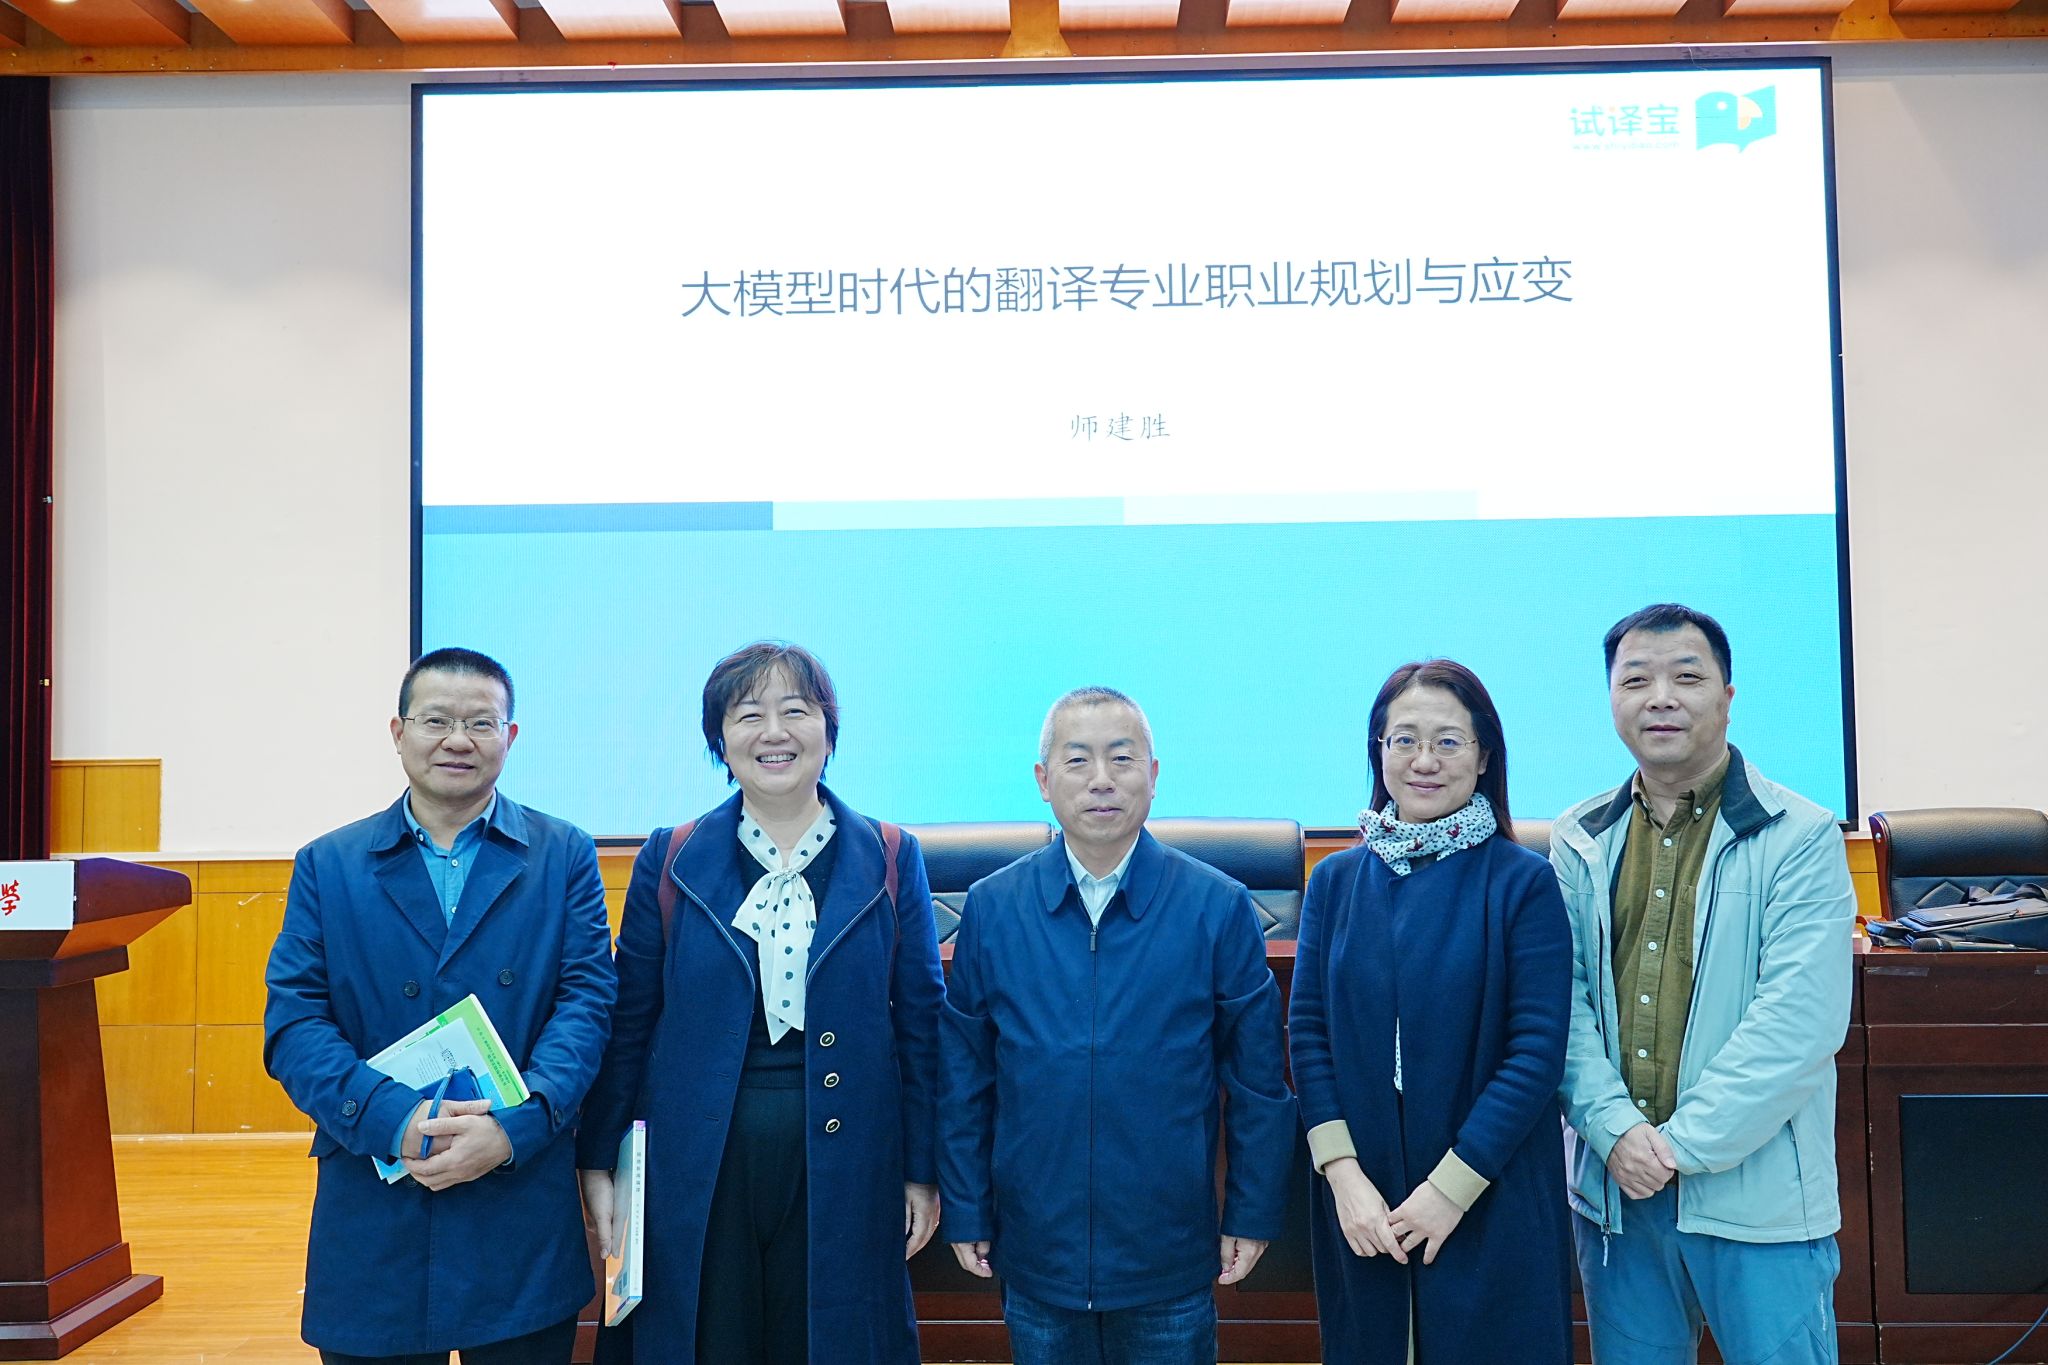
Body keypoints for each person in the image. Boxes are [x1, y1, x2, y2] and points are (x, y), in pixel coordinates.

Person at [575, 641, 945, 1365]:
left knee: (831, 1339)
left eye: (795, 711)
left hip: (850, 1156)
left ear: (828, 731)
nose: (774, 732)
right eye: (748, 715)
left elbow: (923, 1026)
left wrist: (922, 1169)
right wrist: (599, 1159)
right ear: (719, 740)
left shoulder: (891, 855)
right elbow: (630, 1024)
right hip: (697, 1160)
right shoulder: (670, 857)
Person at [263, 647, 617, 1365]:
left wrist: (515, 1126)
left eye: (480, 722)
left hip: (516, 1191)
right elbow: (294, 1023)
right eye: (436, 720)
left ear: (509, 737)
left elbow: (586, 1003)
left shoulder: (563, 853)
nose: (459, 739)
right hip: (375, 1187)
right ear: (398, 732)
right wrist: (394, 1119)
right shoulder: (328, 864)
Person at [939, 685, 1294, 1365]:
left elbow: (1257, 1084)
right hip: (1037, 1247)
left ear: (1152, 775)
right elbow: (964, 1079)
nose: (1101, 779)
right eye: (1078, 760)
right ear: (1043, 780)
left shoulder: (1217, 907)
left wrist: (1251, 1212)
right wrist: (966, 1206)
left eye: (1122, 758)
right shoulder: (994, 907)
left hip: (1168, 1251)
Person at [1554, 604, 1855, 1365]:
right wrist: (1615, 1132)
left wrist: (1677, 1147)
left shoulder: (1800, 834)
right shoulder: (1579, 838)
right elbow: (1562, 1008)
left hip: (1760, 1200)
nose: (1661, 698)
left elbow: (1800, 1022)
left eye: (1686, 677)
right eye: (1636, 680)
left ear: (1727, 696)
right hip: (1620, 1198)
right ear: (1612, 699)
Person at [1288, 660, 1573, 1365]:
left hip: (1491, 1187)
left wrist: (1450, 1189)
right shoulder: (1335, 881)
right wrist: (1342, 1175)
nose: (1424, 760)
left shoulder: (1523, 882)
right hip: (1364, 1195)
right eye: (1404, 740)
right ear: (1378, 751)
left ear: (1484, 757)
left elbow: (1535, 1052)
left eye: (1448, 741)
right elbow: (1309, 1034)